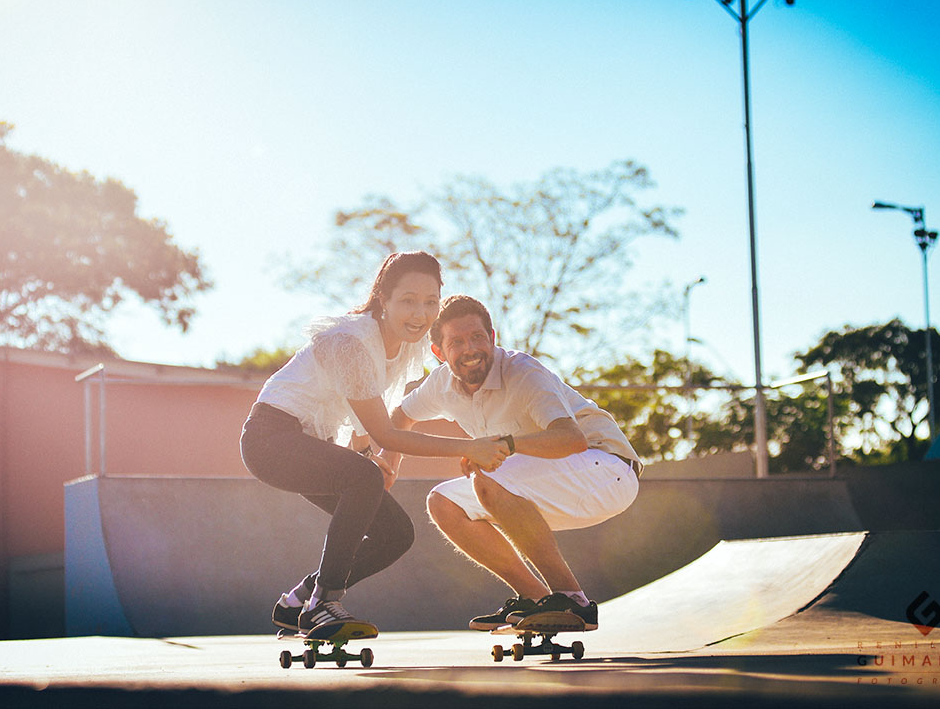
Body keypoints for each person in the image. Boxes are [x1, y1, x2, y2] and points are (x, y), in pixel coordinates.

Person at [239, 253, 511, 637]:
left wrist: (367, 459)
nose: (420, 313)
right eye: (408, 300)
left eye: (431, 302)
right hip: (271, 439)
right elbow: (386, 433)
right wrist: (470, 448)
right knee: (365, 479)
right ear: (383, 298)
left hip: (310, 444)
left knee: (395, 533)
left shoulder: (403, 347)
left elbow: (364, 417)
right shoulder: (349, 342)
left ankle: (298, 601)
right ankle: (323, 603)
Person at [391, 294, 643, 631]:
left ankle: (574, 601)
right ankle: (537, 600)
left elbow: (572, 439)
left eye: (478, 337)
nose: (470, 350)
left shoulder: (522, 372)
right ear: (439, 352)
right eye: (457, 342)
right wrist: (387, 463)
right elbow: (399, 419)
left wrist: (502, 446)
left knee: (487, 479)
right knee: (443, 502)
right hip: (553, 486)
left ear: (492, 338)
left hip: (608, 469)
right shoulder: (440, 385)